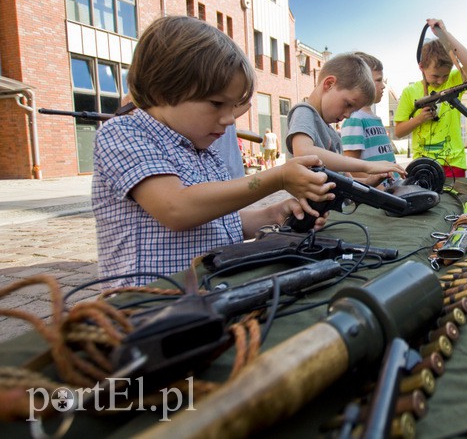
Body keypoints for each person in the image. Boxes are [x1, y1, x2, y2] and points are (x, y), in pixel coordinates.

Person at [92, 16, 334, 288]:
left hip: (209, 295)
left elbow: (219, 224)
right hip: (146, 304)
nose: (230, 119)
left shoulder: (205, 153)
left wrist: (276, 214)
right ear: (163, 88)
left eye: (233, 107)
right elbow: (177, 208)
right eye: (217, 104)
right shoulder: (125, 133)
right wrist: (276, 178)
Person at [285, 52, 406, 181]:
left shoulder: (329, 131)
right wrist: (367, 166)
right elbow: (303, 152)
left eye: (353, 111)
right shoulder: (304, 111)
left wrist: (367, 182)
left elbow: (343, 179)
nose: (348, 115)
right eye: (348, 104)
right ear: (329, 84)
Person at [394, 19, 467, 178]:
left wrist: (444, 34)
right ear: (421, 67)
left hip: (453, 164)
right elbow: (398, 131)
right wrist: (419, 119)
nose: (440, 81)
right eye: (435, 76)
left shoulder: (454, 81)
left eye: (445, 75)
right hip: (423, 164)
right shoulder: (410, 92)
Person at [340, 52, 398, 186]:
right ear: (361, 82)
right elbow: (351, 167)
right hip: (377, 197)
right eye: (378, 80)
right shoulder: (354, 119)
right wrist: (378, 188)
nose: (383, 86)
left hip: (390, 190)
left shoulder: (374, 118)